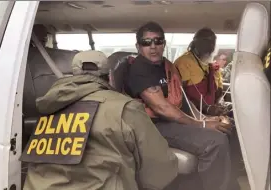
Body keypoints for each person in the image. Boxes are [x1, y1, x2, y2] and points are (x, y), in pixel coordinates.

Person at [20, 50, 179, 190]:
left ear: (73, 75)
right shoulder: (126, 109)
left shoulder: (48, 108)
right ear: (109, 76)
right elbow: (160, 171)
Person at [124, 21, 232, 190]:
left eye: (158, 41)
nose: (153, 46)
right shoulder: (140, 69)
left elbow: (183, 102)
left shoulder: (166, 66)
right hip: (152, 126)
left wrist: (206, 118)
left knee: (224, 129)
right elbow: (162, 108)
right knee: (215, 141)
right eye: (147, 42)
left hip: (170, 122)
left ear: (164, 43)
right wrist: (202, 125)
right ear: (138, 46)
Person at [174, 28, 228, 116]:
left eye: (212, 42)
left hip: (212, 113)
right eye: (206, 41)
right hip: (192, 114)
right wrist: (206, 108)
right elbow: (180, 95)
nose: (210, 46)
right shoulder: (184, 62)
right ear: (195, 43)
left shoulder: (212, 66)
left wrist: (219, 105)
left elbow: (219, 91)